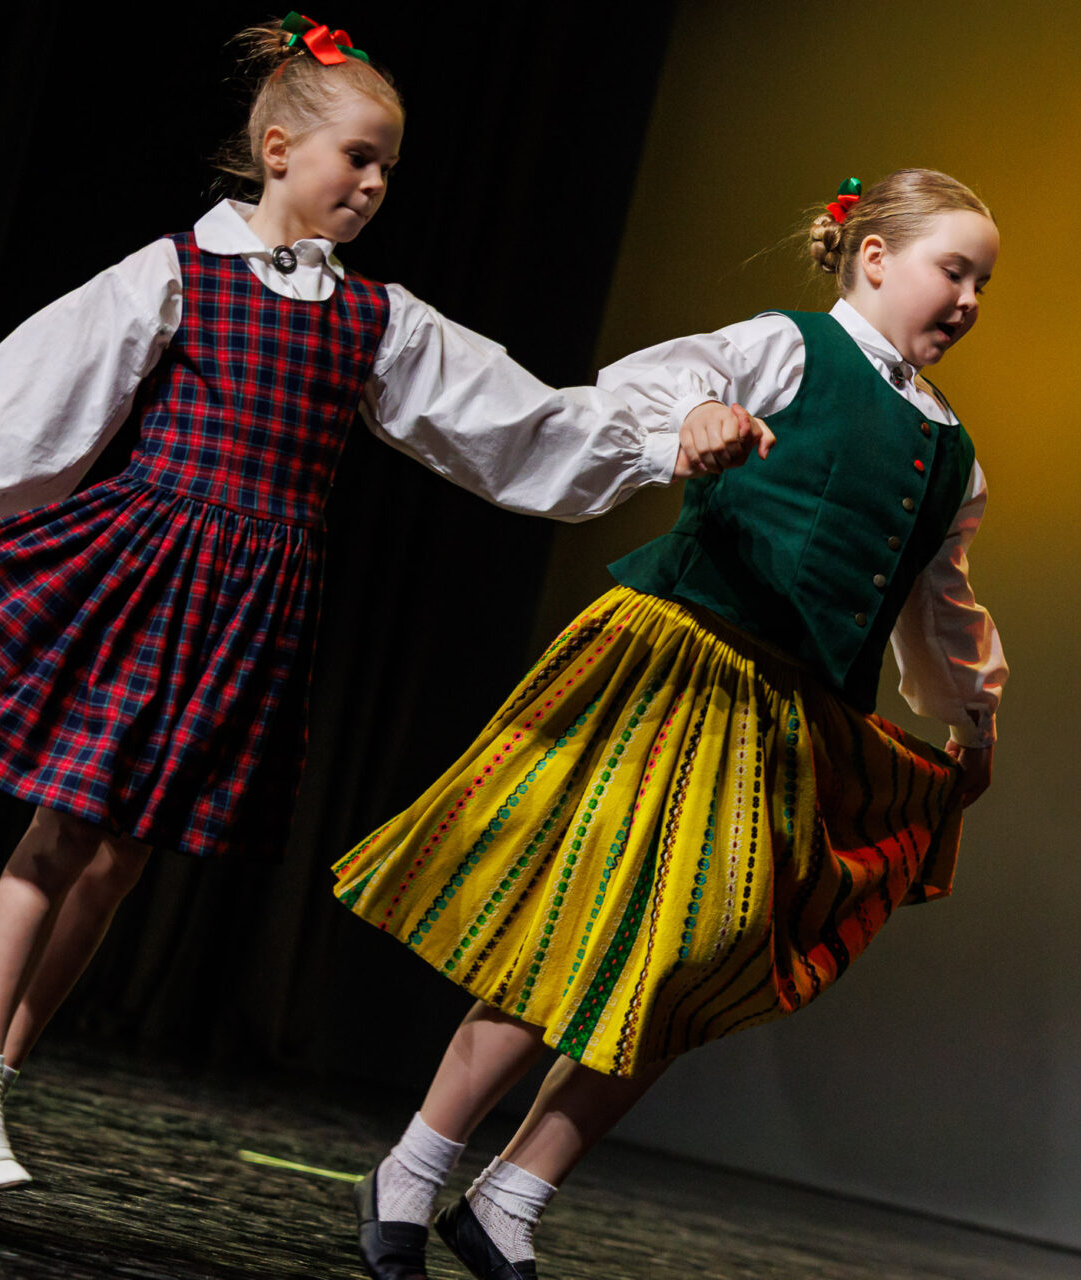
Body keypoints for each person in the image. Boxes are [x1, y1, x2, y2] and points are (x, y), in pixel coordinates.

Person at [0, 12, 760, 1222]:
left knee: (121, 856)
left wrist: (665, 433)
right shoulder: (179, 272)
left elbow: (515, 421)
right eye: (357, 158)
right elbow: (52, 387)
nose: (373, 185)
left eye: (388, 170)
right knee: (64, 827)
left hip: (253, 601)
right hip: (150, 565)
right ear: (278, 149)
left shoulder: (376, 317)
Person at [335, 169, 1008, 1280]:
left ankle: (511, 1197)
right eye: (954, 269)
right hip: (683, 666)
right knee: (577, 921)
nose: (970, 299)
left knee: (694, 961)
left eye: (983, 283)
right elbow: (671, 375)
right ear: (875, 257)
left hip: (793, 719)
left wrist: (973, 721)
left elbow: (939, 606)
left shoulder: (953, 455)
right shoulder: (792, 348)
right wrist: (694, 416)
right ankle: (414, 1166)